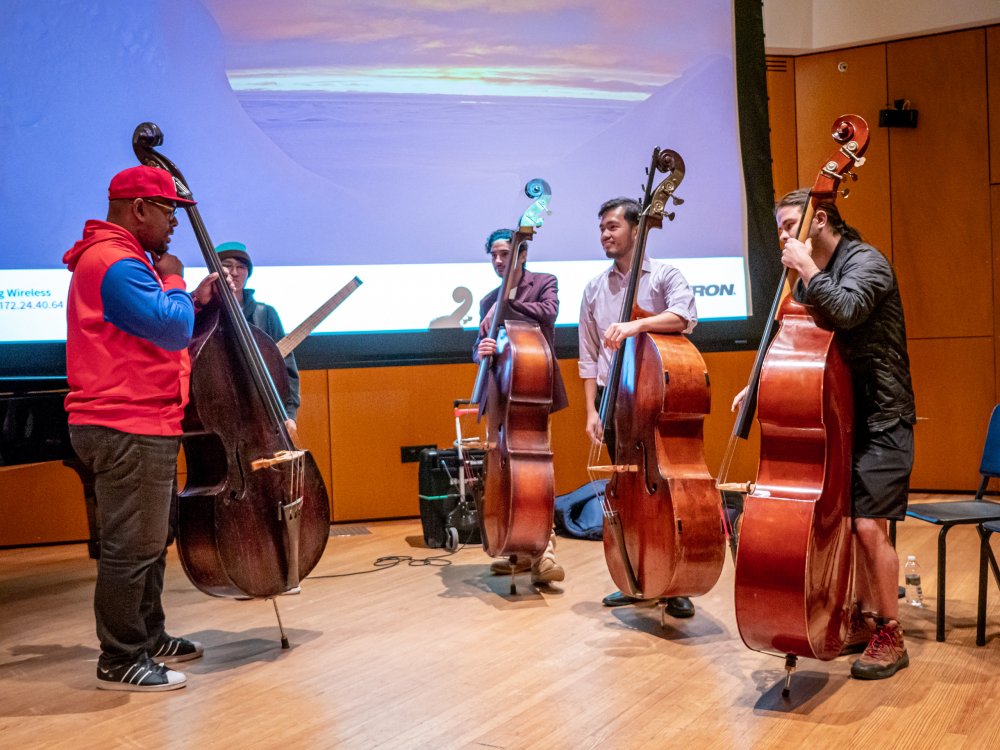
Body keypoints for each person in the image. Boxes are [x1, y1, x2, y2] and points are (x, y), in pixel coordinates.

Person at [733, 187, 916, 680]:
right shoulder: (807, 275)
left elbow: (849, 310)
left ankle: (890, 631)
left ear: (820, 221)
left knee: (865, 525)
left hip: (883, 417)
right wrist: (757, 384)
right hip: (838, 415)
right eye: (779, 228)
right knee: (837, 520)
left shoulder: (866, 262)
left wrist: (807, 271)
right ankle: (856, 614)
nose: (783, 236)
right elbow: (792, 339)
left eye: (791, 224)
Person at [64, 165, 222, 691]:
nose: (174, 225)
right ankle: (120, 658)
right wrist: (175, 279)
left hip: (142, 420)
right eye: (168, 212)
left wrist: (185, 298)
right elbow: (171, 328)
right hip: (125, 422)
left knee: (151, 542)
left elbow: (153, 330)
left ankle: (149, 637)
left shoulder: (123, 260)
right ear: (138, 209)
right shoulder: (113, 261)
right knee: (131, 546)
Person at [578, 197, 700, 618]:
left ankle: (672, 581)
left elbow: (684, 317)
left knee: (665, 496)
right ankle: (634, 578)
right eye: (601, 229)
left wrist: (638, 323)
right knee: (630, 496)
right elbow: (589, 355)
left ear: (636, 229)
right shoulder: (594, 288)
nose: (605, 235)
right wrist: (591, 411)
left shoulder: (665, 275)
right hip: (616, 402)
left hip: (655, 399)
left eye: (612, 226)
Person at [474, 228, 568, 585]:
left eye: (506, 254)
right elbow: (481, 345)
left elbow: (548, 314)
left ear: (523, 254)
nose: (499, 261)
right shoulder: (487, 301)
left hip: (532, 392)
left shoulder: (544, 283)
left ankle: (545, 551)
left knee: (536, 473)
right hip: (500, 395)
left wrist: (505, 305)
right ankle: (516, 545)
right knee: (505, 473)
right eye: (494, 255)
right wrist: (481, 348)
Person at [215, 241, 300, 425]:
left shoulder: (266, 313)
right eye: (227, 266)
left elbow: (286, 367)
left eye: (241, 267)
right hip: (217, 417)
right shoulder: (203, 312)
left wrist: (290, 414)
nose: (235, 272)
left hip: (262, 418)